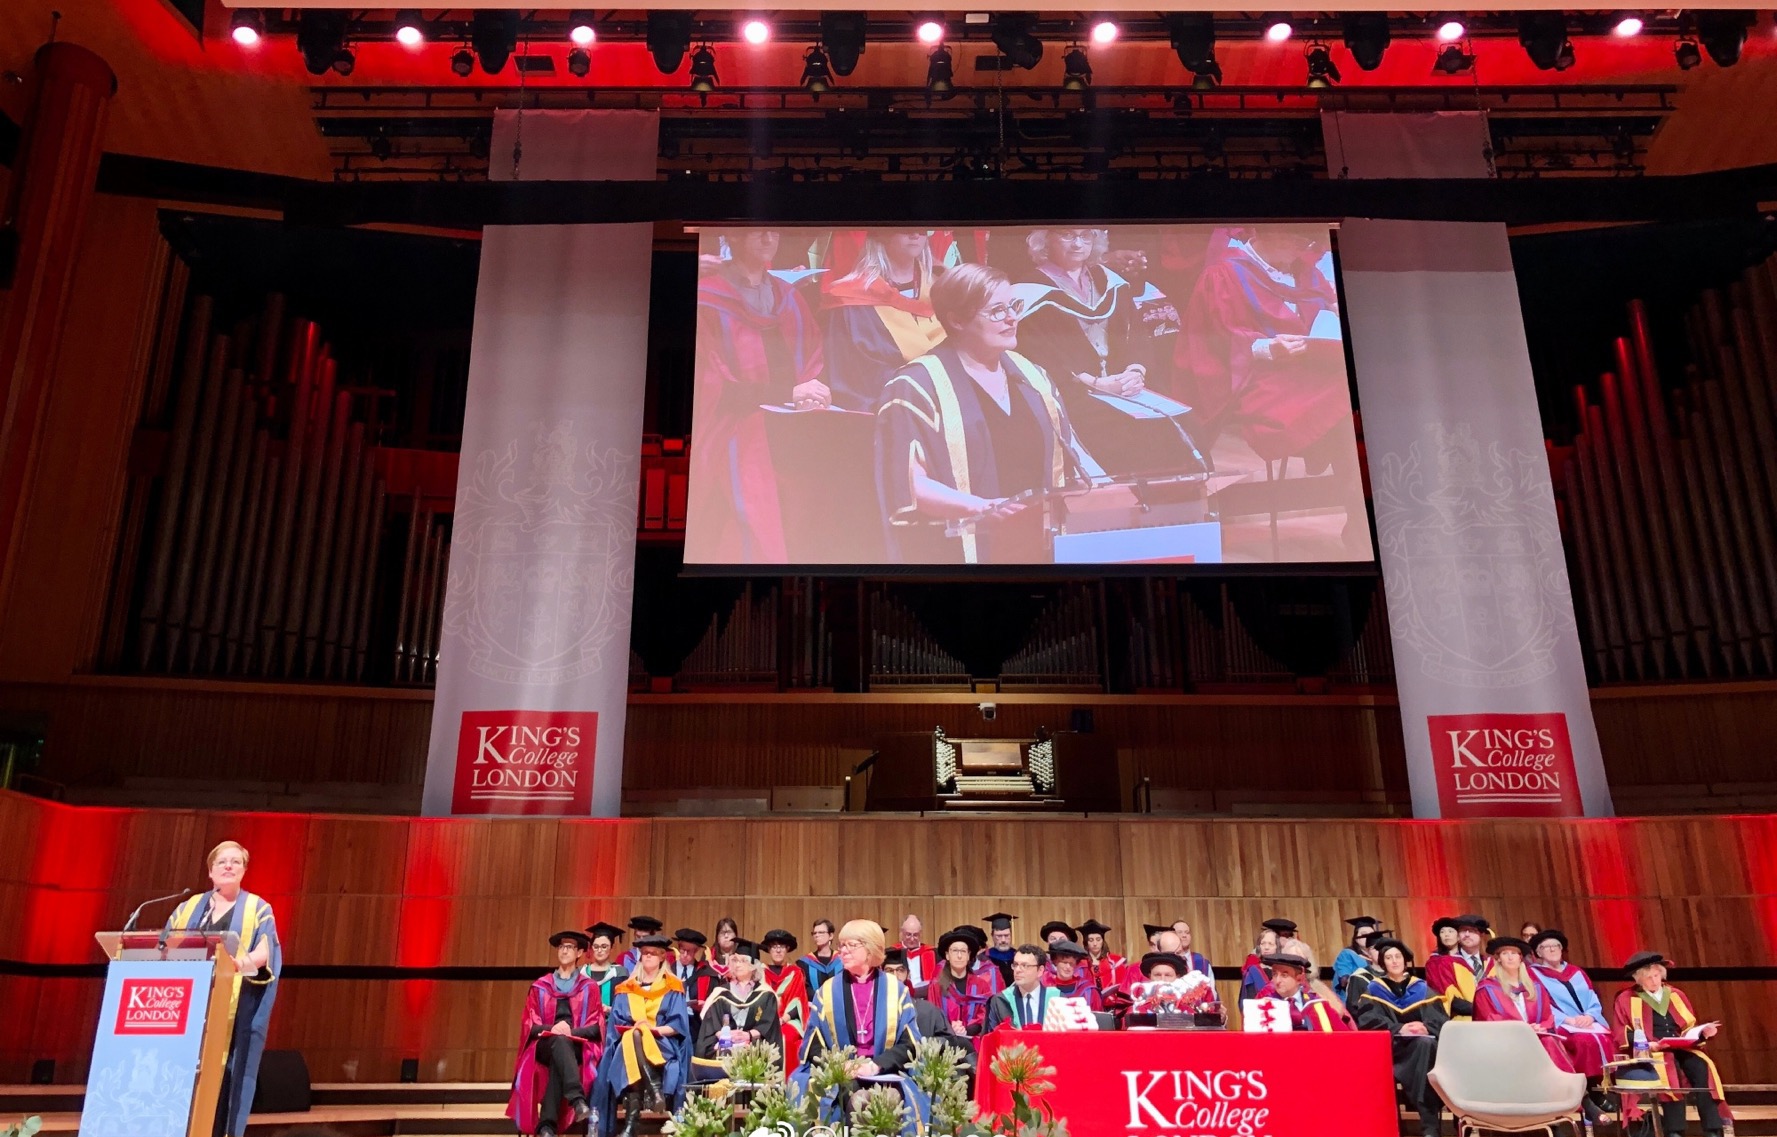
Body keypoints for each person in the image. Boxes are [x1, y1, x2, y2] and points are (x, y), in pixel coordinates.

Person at [873, 264, 1095, 565]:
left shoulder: (1033, 377)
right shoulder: (917, 385)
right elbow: (909, 483)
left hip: (1039, 548)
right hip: (959, 555)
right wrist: (980, 508)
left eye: (1014, 306)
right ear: (957, 320)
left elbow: (1071, 459)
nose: (1012, 318)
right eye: (997, 311)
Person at [1012, 228, 1205, 480]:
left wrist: (1136, 371)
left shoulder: (1110, 282)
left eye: (1085, 236)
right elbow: (1037, 354)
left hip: (1123, 386)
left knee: (1183, 423)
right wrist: (1094, 383)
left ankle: (1180, 500)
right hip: (1072, 392)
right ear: (1046, 240)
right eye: (1067, 235)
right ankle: (1127, 501)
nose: (1078, 243)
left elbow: (1136, 333)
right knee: (1118, 433)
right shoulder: (1029, 291)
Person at [690, 228, 825, 564]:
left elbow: (812, 358)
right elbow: (713, 386)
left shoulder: (787, 296)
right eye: (757, 232)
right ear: (734, 238)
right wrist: (789, 392)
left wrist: (814, 391)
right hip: (734, 431)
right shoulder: (706, 299)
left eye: (773, 232)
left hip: (790, 431)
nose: (768, 239)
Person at [163, 840, 281, 1137]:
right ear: (211, 871)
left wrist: (236, 965)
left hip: (231, 1009)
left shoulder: (257, 908)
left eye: (235, 862)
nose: (228, 866)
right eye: (222, 862)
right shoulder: (188, 907)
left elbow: (265, 952)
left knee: (223, 1079)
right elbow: (164, 946)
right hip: (185, 1006)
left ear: (244, 870)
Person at [795, 920, 930, 1134]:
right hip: (842, 1075)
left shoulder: (896, 991)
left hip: (887, 1071)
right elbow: (813, 1045)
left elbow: (910, 1043)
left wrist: (876, 1065)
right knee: (859, 1100)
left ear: (870, 949)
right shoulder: (827, 991)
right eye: (842, 945)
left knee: (889, 1099)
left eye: (851, 945)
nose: (843, 951)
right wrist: (840, 1066)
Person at [822, 230, 948, 411]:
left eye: (922, 228)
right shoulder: (850, 300)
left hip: (947, 402)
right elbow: (849, 375)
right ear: (880, 233)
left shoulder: (944, 290)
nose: (915, 234)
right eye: (903, 227)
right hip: (884, 408)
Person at [1612, 951, 1730, 1137]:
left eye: (1657, 975)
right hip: (1652, 1049)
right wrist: (1647, 1044)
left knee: (1703, 1068)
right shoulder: (1627, 998)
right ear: (1638, 979)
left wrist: (1703, 1034)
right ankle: (1674, 1131)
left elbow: (1688, 1026)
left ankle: (1713, 1130)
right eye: (1649, 977)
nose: (1654, 981)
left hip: (1682, 1046)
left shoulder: (1676, 994)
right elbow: (1622, 1031)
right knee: (1669, 1071)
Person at [592, 934, 691, 1137]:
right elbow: (617, 1025)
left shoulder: (672, 986)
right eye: (644, 953)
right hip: (629, 1042)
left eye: (653, 953)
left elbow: (677, 1026)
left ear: (662, 957)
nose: (648, 956)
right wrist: (638, 1030)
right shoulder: (627, 988)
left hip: (662, 1043)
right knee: (632, 1038)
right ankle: (655, 1091)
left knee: (636, 1036)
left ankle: (632, 1123)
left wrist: (651, 1030)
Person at [509, 931, 602, 1137]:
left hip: (577, 1044)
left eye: (569, 947)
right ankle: (577, 1099)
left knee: (560, 1053)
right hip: (544, 1044)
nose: (564, 951)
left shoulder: (589, 987)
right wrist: (551, 1029)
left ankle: (547, 1127)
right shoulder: (541, 986)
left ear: (579, 953)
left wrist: (571, 1032)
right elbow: (530, 1025)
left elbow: (597, 1027)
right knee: (559, 1042)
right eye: (561, 947)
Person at [1354, 938, 1447, 1137]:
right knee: (1424, 1048)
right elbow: (1368, 1021)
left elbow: (1440, 1019)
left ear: (1405, 960)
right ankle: (1430, 1123)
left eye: (1398, 956)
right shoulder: (1374, 990)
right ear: (1383, 963)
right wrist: (1400, 1028)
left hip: (1422, 1047)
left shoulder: (1422, 988)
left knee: (1425, 1044)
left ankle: (1429, 1123)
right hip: (1393, 1047)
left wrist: (1425, 1026)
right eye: (1389, 958)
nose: (1394, 961)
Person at [1472, 936, 1575, 1072]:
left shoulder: (1536, 988)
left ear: (1520, 958)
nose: (1510, 957)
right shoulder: (1487, 989)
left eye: (1514, 953)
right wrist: (1522, 1029)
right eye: (1505, 953)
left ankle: (1558, 1083)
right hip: (1506, 1041)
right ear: (1498, 958)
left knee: (1548, 1041)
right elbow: (1488, 1020)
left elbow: (1548, 1018)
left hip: (1537, 1038)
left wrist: (1540, 1027)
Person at [1527, 929, 1614, 1083]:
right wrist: (1569, 1020)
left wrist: (1590, 1016)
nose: (1552, 949)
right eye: (1546, 947)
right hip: (1561, 1023)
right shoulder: (1534, 974)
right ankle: (1587, 1085)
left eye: (1556, 945)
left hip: (1588, 1022)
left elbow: (1592, 997)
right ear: (1539, 953)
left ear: (1562, 949)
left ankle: (1608, 1084)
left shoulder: (1576, 972)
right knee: (1582, 1041)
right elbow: (1541, 1004)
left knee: (1607, 1039)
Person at [690, 940, 782, 1084]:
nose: (738, 965)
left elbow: (768, 1024)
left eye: (743, 961)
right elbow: (711, 1023)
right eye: (735, 960)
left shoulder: (765, 994)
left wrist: (747, 1035)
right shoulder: (721, 993)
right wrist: (726, 1035)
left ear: (753, 966)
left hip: (753, 1045)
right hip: (724, 1044)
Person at [888, 945, 975, 1080]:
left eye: (900, 970)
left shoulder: (928, 1010)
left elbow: (949, 1040)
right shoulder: (874, 1010)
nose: (895, 976)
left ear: (908, 974)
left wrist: (923, 1043)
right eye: (889, 971)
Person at [927, 927, 997, 1047]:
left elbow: (985, 1016)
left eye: (963, 951)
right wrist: (950, 1029)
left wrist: (966, 1030)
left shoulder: (981, 986)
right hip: (944, 1045)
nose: (959, 956)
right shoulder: (936, 986)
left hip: (974, 1045)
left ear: (969, 955)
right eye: (955, 951)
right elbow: (932, 1017)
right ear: (947, 955)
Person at [1256, 953, 1350, 1032]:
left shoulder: (1318, 1004)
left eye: (1284, 975)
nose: (1277, 980)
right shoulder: (1263, 1005)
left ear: (1299, 978)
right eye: (1274, 974)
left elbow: (1344, 1038)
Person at [761, 929, 810, 1071]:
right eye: (774, 947)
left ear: (787, 949)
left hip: (789, 1020)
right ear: (769, 949)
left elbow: (798, 1001)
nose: (778, 950)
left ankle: (788, 1080)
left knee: (785, 1037)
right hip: (766, 1020)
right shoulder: (761, 972)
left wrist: (782, 1019)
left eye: (781, 947)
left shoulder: (795, 972)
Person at [985, 944, 1063, 1030]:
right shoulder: (1001, 1001)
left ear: (1040, 970)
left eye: (1025, 965)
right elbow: (991, 1036)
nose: (1017, 970)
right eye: (1015, 965)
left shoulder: (1057, 999)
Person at [1425, 914, 1489, 1018]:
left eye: (1472, 931)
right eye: (1463, 931)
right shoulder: (1442, 963)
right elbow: (1451, 998)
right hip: (1464, 1020)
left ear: (1481, 934)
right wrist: (1483, 1010)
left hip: (1496, 1020)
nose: (1467, 934)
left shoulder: (1491, 963)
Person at [671, 928, 722, 1023]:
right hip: (670, 1019)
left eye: (689, 951)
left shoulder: (705, 973)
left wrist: (705, 1005)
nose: (685, 954)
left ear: (696, 951)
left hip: (695, 1022)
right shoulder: (668, 971)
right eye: (682, 950)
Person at [1042, 940, 1102, 1011]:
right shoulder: (1045, 987)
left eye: (1071, 963)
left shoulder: (1089, 990)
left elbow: (1098, 1016)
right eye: (1064, 962)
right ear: (1055, 962)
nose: (1068, 967)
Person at [582, 921, 630, 1008]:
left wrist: (610, 1010)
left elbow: (625, 1005)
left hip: (611, 1016)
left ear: (611, 947)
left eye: (604, 947)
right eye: (596, 947)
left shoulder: (620, 973)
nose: (599, 950)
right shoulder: (582, 972)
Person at [1076, 919, 1127, 1000]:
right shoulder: (1080, 963)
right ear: (1086, 942)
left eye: (1098, 939)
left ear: (1103, 941)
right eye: (1091, 940)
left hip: (1112, 1004)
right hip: (1089, 1003)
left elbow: (1123, 986)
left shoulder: (1115, 962)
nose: (1095, 944)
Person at [1333, 915, 1381, 999]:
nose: (1368, 937)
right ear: (1356, 938)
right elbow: (1344, 981)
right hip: (1354, 999)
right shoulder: (1347, 954)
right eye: (1363, 934)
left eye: (1371, 934)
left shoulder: (1379, 956)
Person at [1240, 923, 1287, 1002]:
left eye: (1270, 944)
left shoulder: (1284, 969)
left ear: (1277, 947)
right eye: (1263, 944)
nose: (1266, 947)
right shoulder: (1252, 970)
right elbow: (1248, 999)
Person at [897, 914, 937, 995]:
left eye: (915, 935)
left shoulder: (933, 952)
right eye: (908, 934)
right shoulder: (893, 953)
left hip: (926, 997)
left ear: (921, 933)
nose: (912, 939)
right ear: (902, 932)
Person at [799, 918, 843, 991]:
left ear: (831, 936)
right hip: (814, 998)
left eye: (821, 932)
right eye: (814, 933)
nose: (817, 935)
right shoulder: (804, 963)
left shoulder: (841, 960)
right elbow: (804, 987)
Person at [981, 912, 1019, 985]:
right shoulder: (983, 958)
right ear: (992, 935)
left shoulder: (1018, 956)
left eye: (1006, 935)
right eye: (999, 936)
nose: (1003, 940)